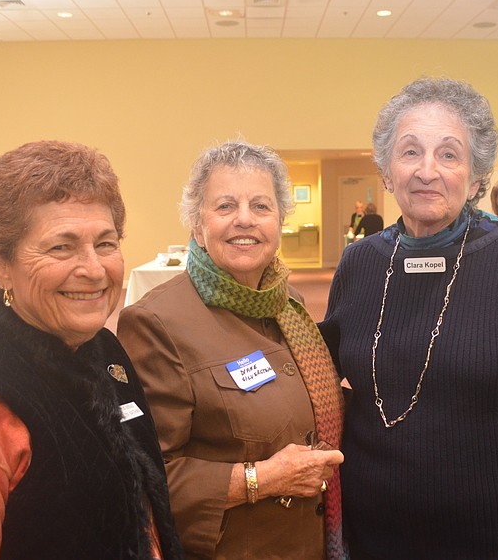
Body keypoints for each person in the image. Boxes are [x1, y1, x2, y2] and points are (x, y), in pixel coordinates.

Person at [319, 77, 498, 560]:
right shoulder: (359, 263)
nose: (428, 170)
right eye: (410, 152)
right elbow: (319, 373)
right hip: (376, 531)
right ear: (387, 171)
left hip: (495, 533)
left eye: (448, 154)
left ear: (475, 176)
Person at [0, 141, 182, 559]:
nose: (94, 269)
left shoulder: (104, 349)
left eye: (106, 243)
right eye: (61, 246)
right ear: (0, 264)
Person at [117, 140, 346, 560]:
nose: (245, 220)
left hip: (312, 543)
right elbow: (145, 471)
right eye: (224, 207)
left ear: (279, 221)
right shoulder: (156, 323)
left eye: (261, 206)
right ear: (197, 224)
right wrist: (259, 479)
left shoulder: (287, 302)